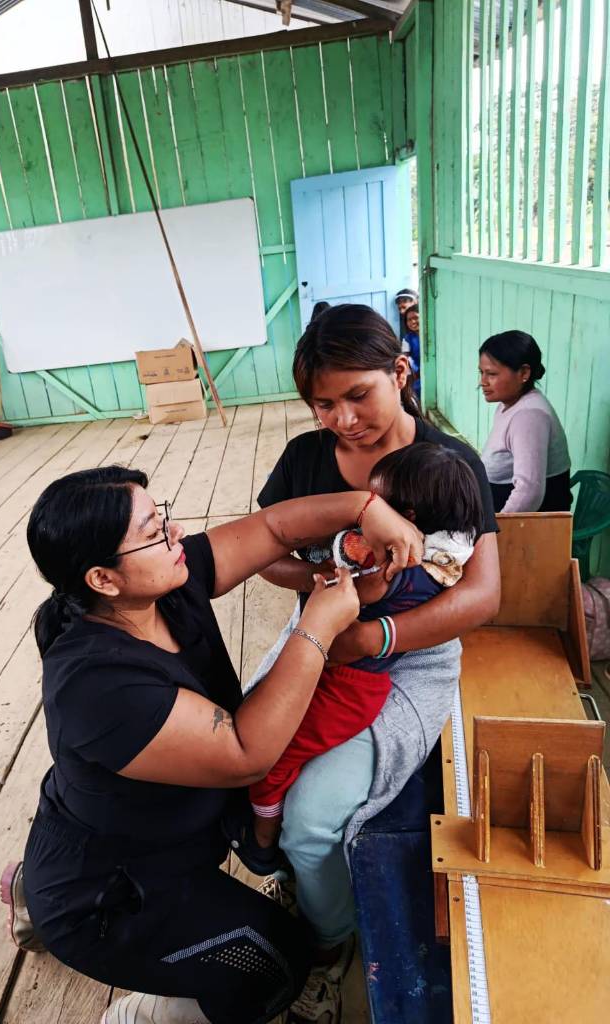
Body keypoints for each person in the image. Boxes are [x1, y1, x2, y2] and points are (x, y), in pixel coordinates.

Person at [10, 463, 422, 1024]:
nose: (176, 535)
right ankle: (135, 1013)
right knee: (278, 965)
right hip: (109, 894)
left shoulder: (156, 592)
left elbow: (276, 529)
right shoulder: (96, 684)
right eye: (153, 533)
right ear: (102, 579)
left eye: (163, 517)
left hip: (135, 835)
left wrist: (366, 510)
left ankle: (30, 891)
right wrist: (318, 628)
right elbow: (246, 752)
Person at [254, 303, 500, 1024]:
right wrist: (331, 589)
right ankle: (308, 882)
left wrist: (379, 635)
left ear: (400, 371)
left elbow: (483, 595)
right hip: (324, 633)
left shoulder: (450, 462)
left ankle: (328, 951)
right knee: (243, 744)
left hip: (407, 657)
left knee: (308, 819)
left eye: (356, 395)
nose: (341, 418)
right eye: (322, 403)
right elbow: (267, 551)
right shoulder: (307, 458)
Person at [246, 443, 482, 864]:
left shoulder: (388, 567)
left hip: (346, 683)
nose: (367, 513)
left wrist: (352, 531)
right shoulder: (441, 554)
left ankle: (262, 844)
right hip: (345, 674)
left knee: (270, 756)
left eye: (378, 505)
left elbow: (349, 572)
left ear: (406, 517)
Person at [479, 330, 571, 513]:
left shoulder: (529, 417)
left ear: (524, 373)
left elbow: (529, 492)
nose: (483, 381)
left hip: (529, 530)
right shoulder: (510, 405)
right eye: (481, 372)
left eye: (491, 374)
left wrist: (497, 533)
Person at [401, 302, 421, 399]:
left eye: (416, 318)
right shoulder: (407, 339)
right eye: (409, 320)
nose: (412, 322)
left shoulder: (431, 334)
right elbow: (406, 357)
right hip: (416, 374)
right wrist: (414, 372)